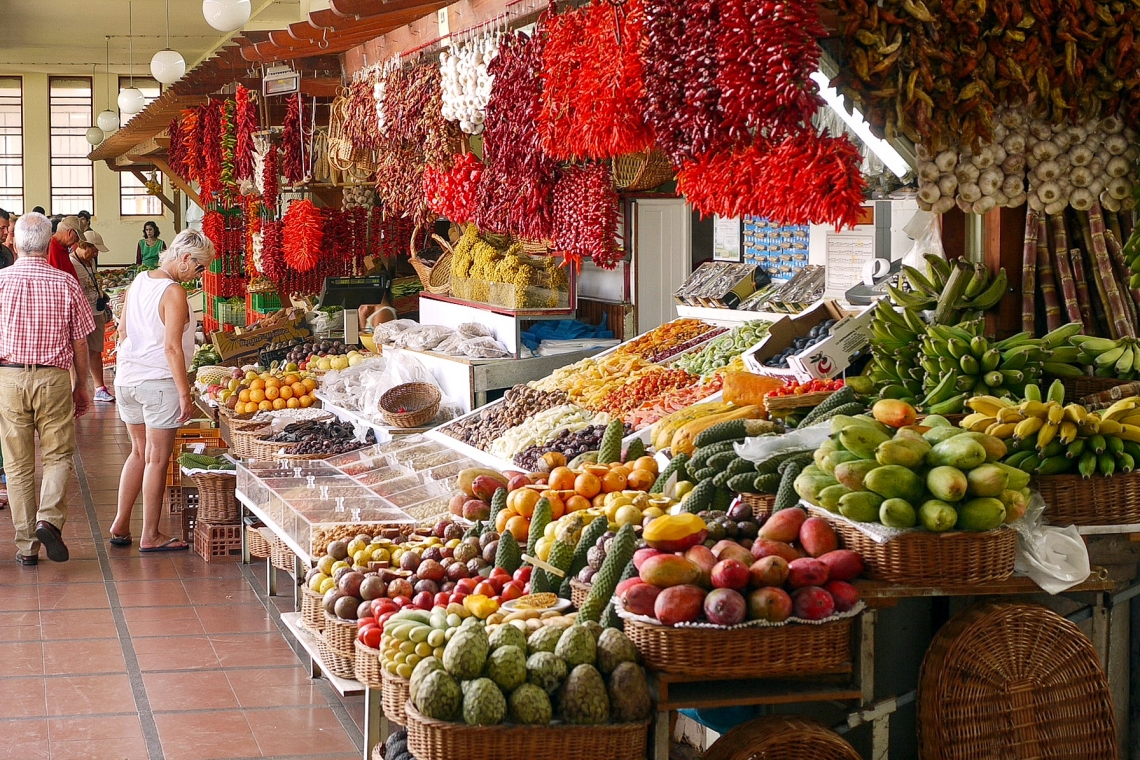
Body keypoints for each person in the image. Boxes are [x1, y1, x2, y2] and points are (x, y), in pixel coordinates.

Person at [0, 212, 95, 566]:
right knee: (57, 455)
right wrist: (81, 386)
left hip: (9, 378)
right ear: (48, 241)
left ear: (15, 240)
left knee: (18, 464)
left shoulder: (0, 281)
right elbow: (81, 342)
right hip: (53, 378)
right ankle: (48, 519)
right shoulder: (66, 283)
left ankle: (27, 547)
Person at [111, 229, 214, 552]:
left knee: (139, 453)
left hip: (127, 378)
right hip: (158, 382)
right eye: (199, 268)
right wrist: (185, 393)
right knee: (157, 459)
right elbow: (171, 348)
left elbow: (123, 330)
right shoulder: (173, 293)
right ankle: (150, 534)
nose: (200, 275)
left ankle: (120, 524)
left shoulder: (139, 281)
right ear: (184, 259)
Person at [71, 241, 115, 403]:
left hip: (96, 312)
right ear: (84, 246)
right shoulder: (71, 263)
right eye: (94, 250)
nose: (96, 254)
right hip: (81, 314)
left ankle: (99, 388)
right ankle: (74, 388)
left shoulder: (90, 263)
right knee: (77, 351)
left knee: (96, 350)